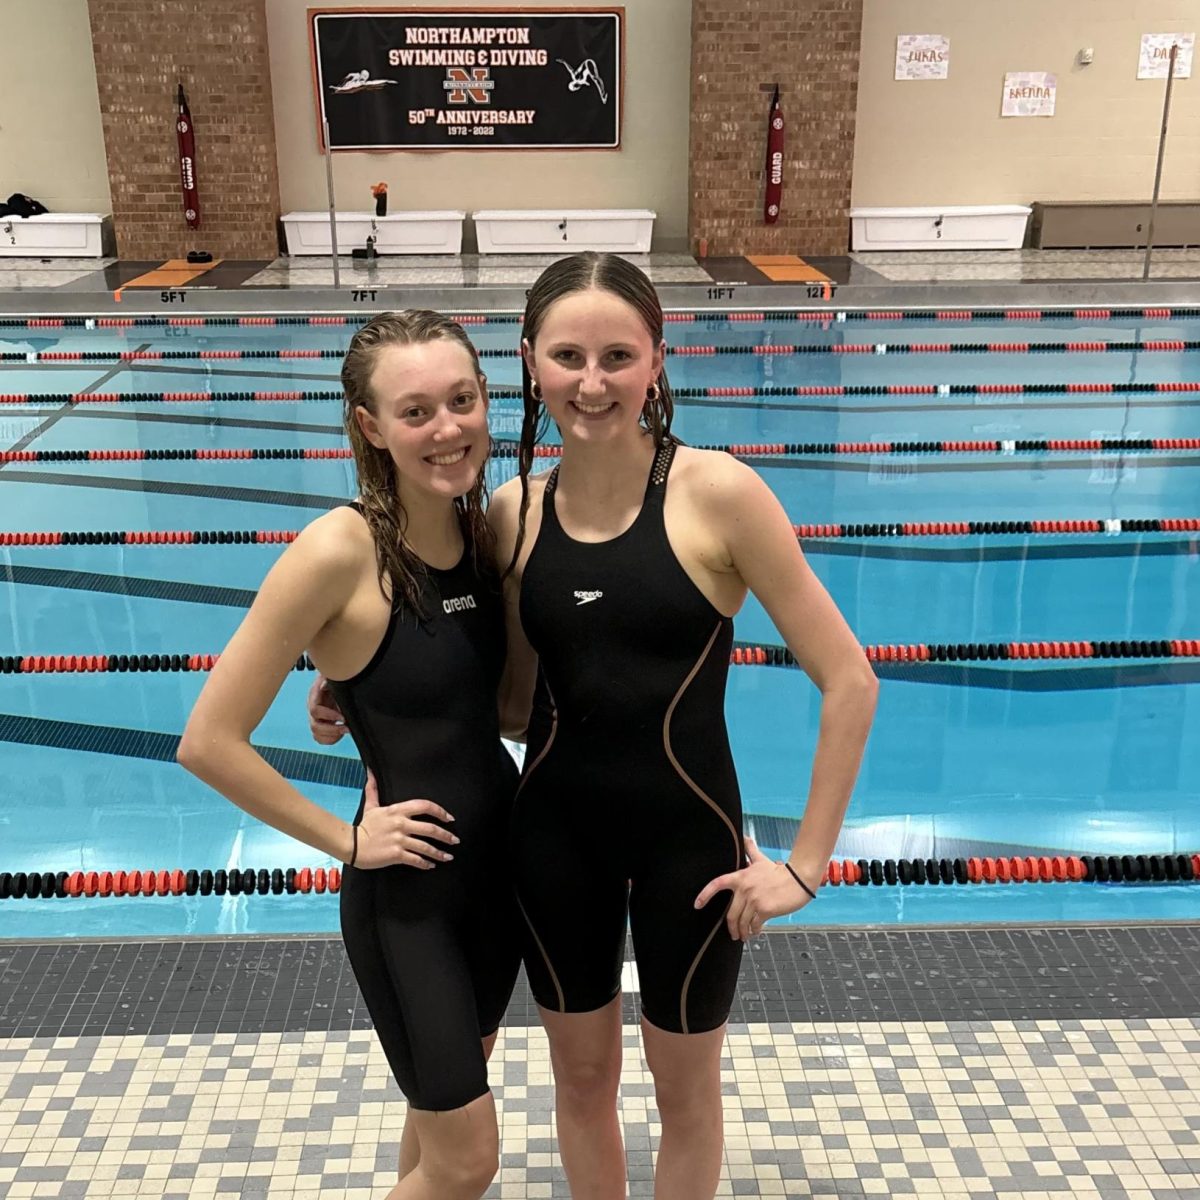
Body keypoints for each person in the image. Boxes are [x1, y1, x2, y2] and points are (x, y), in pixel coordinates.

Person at [312, 255, 878, 1200]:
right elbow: (502, 695)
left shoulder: (719, 494)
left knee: (686, 1096)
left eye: (619, 354)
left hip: (688, 847)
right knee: (581, 1083)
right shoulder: (512, 511)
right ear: (530, 363)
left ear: (658, 359)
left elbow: (849, 679)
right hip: (552, 841)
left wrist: (806, 865)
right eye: (567, 354)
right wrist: (356, 698)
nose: (592, 380)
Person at [180, 310, 520, 1200]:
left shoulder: (475, 531)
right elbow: (208, 741)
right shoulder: (339, 549)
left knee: (433, 1137)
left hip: (496, 884)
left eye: (462, 400)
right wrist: (348, 839)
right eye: (416, 412)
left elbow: (459, 692)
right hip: (410, 904)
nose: (447, 429)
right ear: (371, 427)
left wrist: (348, 689)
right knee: (468, 1161)